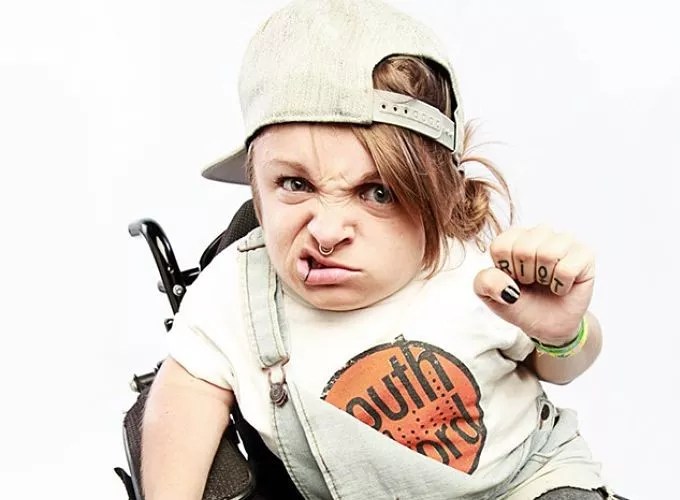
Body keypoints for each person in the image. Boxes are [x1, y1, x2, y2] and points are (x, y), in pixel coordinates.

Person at [141, 0, 622, 498]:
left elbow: (557, 368)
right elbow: (185, 396)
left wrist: (563, 336)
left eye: (377, 192)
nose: (327, 232)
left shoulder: (466, 267)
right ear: (256, 188)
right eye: (294, 184)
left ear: (435, 195)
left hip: (524, 483)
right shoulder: (235, 296)